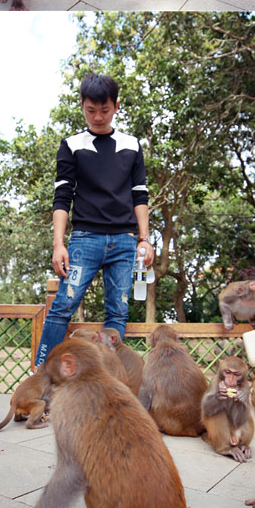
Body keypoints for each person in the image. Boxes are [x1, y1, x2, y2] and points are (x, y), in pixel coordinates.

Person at [33, 73, 153, 367]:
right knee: (63, 305)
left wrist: (145, 239)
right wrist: (58, 244)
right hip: (85, 239)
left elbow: (139, 195)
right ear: (82, 106)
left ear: (116, 107)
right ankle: (42, 374)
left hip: (124, 242)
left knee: (118, 312)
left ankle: (111, 379)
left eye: (105, 110)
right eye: (91, 110)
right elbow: (62, 197)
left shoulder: (131, 145)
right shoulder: (72, 145)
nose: (98, 117)